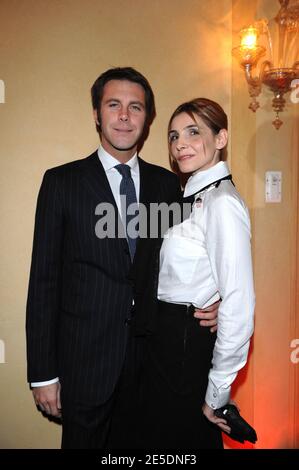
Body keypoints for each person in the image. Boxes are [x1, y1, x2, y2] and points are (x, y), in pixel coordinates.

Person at [25, 67, 219, 449]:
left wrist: (216, 300)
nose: (125, 116)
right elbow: (43, 281)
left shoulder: (168, 184)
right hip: (85, 366)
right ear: (97, 114)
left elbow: (191, 258)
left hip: (154, 365)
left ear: (147, 120)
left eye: (136, 107)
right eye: (114, 105)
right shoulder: (62, 183)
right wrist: (42, 375)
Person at [133, 97, 255, 449]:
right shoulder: (188, 197)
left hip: (186, 345)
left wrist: (217, 392)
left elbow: (239, 302)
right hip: (165, 342)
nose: (180, 143)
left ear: (221, 138)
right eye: (173, 136)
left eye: (192, 132)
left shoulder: (222, 203)